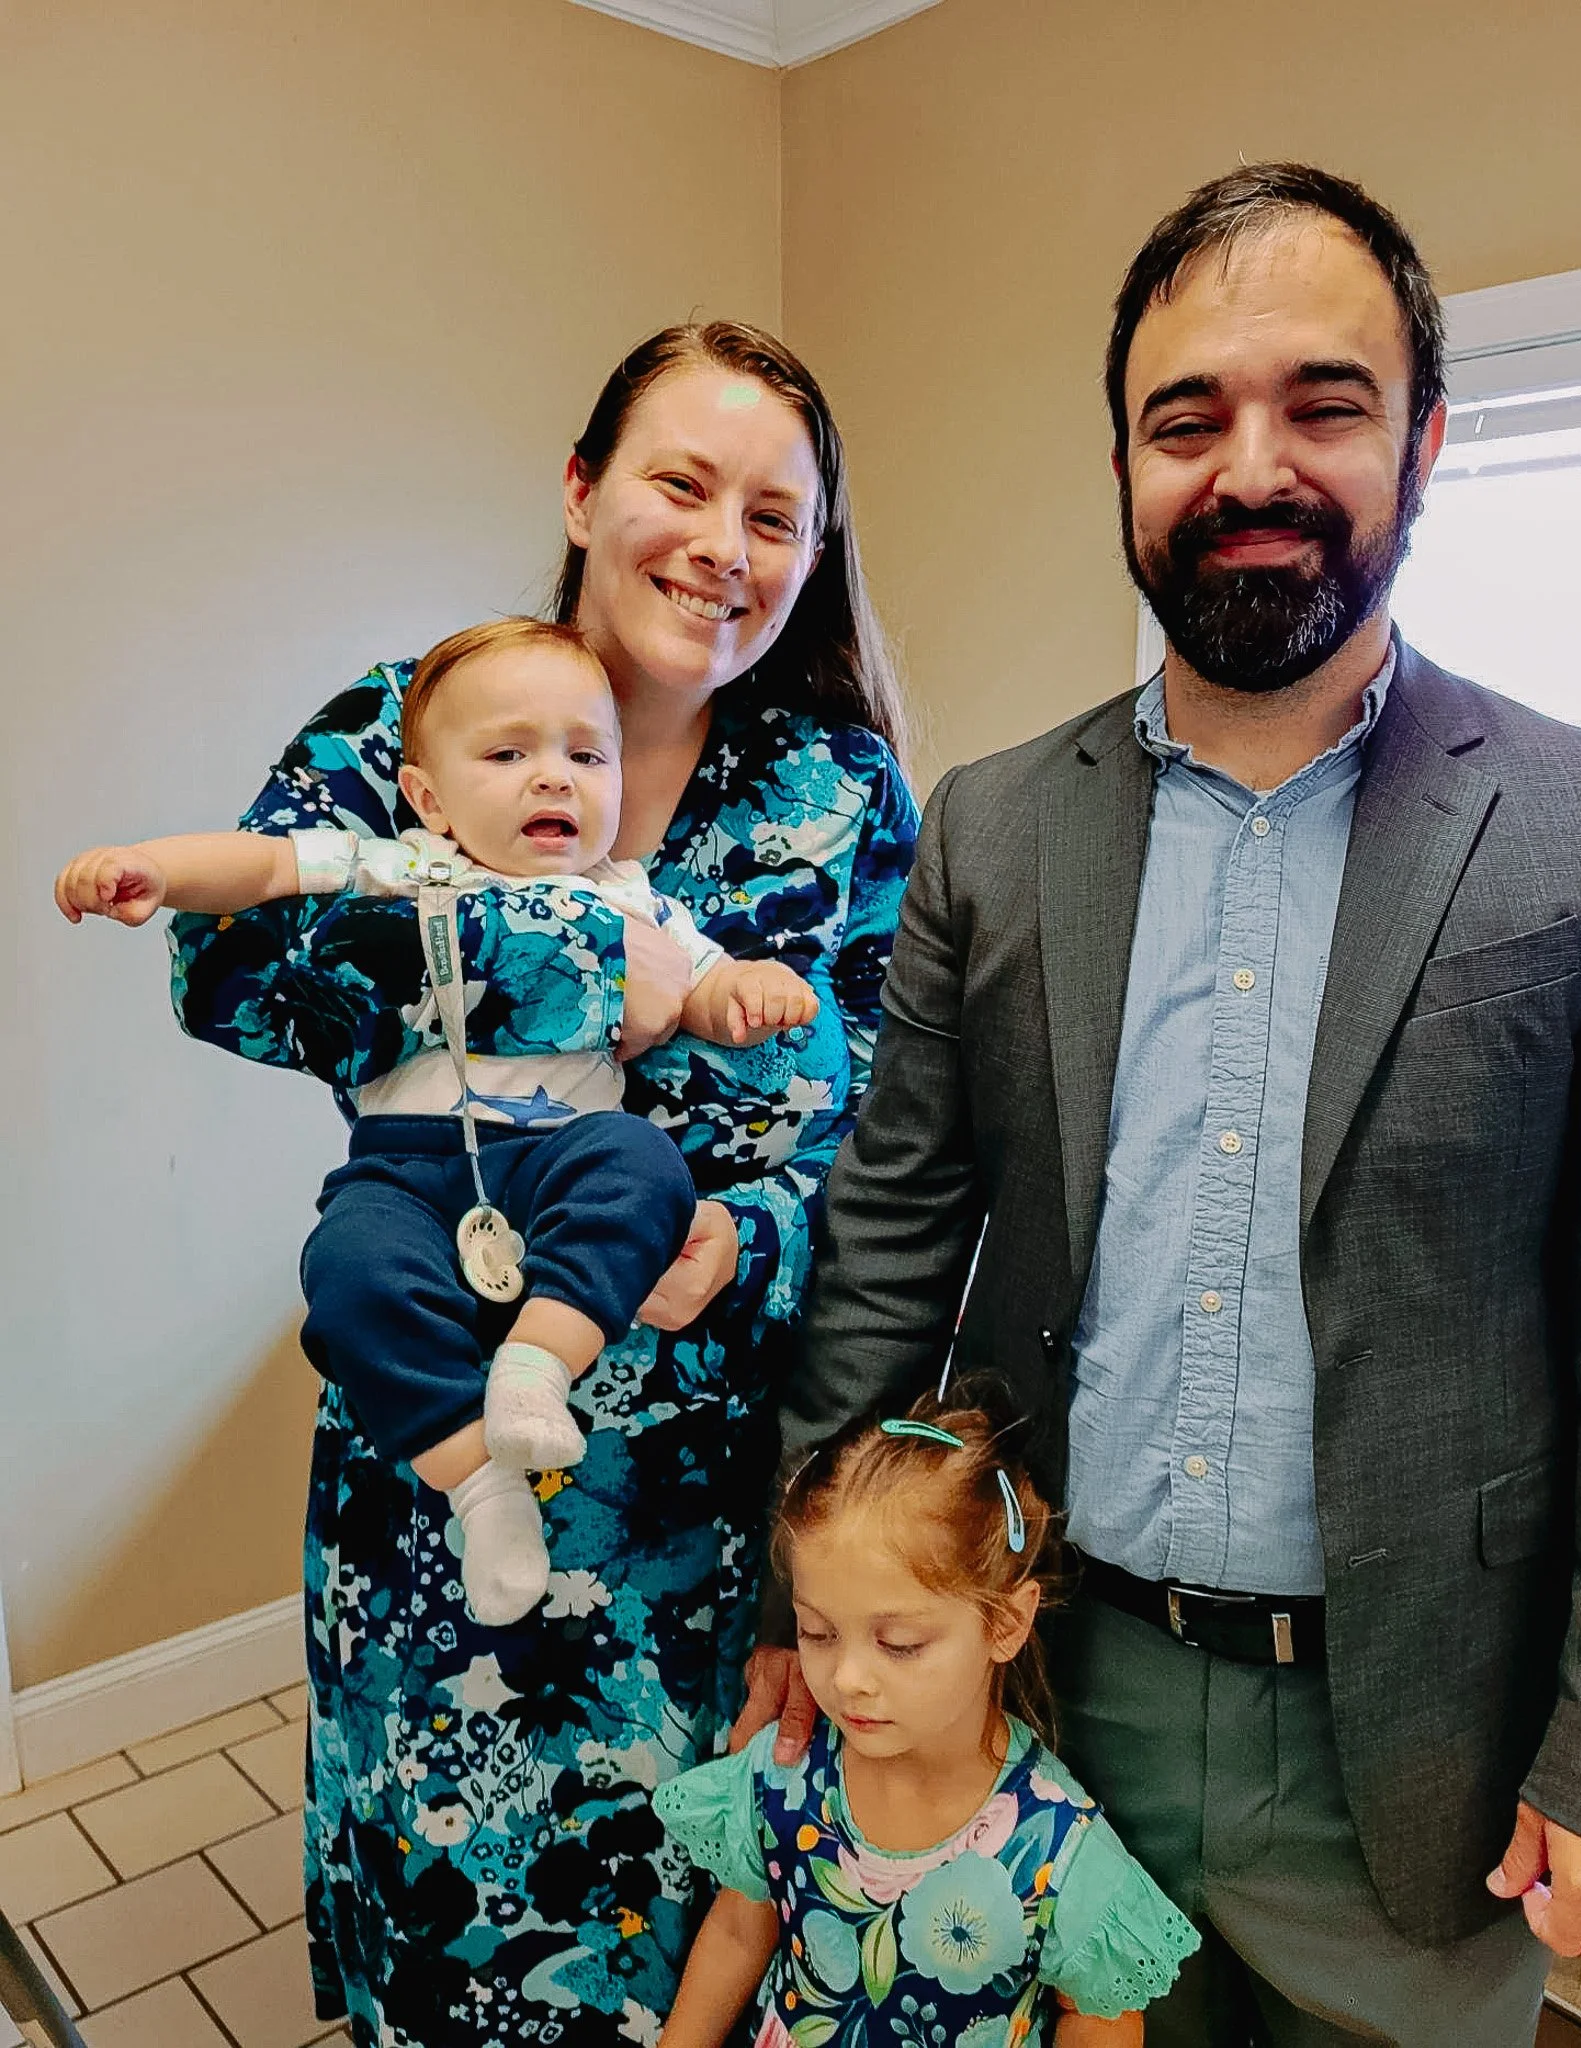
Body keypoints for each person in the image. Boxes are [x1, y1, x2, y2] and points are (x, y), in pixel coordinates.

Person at [754, 167, 1581, 2044]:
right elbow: (887, 1243)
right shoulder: (996, 831)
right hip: (1049, 1695)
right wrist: (799, 1607)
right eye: (1188, 418)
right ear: (1124, 466)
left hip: (1422, 1742)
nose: (1250, 463)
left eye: (1323, 403)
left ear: (1423, 444)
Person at [167, 322, 919, 2046]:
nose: (723, 543)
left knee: (687, 1954)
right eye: (680, 480)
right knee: (446, 1949)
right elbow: (232, 975)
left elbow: (890, 1119)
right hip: (437, 1487)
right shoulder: (400, 724)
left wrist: (750, 1237)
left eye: (777, 515)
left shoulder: (837, 792)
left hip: (706, 1506)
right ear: (583, 492)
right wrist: (601, 977)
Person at [56, 616, 822, 1628]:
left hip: (562, 1158)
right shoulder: (405, 866)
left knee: (643, 1170)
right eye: (508, 753)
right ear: (428, 795)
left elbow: (707, 990)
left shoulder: (634, 899)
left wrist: (751, 991)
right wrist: (153, 869)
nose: (553, 778)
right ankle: (479, 1486)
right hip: (407, 1169)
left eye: (584, 755)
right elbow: (261, 867)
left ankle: (534, 1366)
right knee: (347, 1272)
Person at [655, 1394, 1197, 2048]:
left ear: (1005, 1622)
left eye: (900, 1644)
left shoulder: (1056, 1846)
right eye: (818, 1632)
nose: (848, 1676)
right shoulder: (783, 1778)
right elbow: (741, 1930)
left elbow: (1096, 2019)